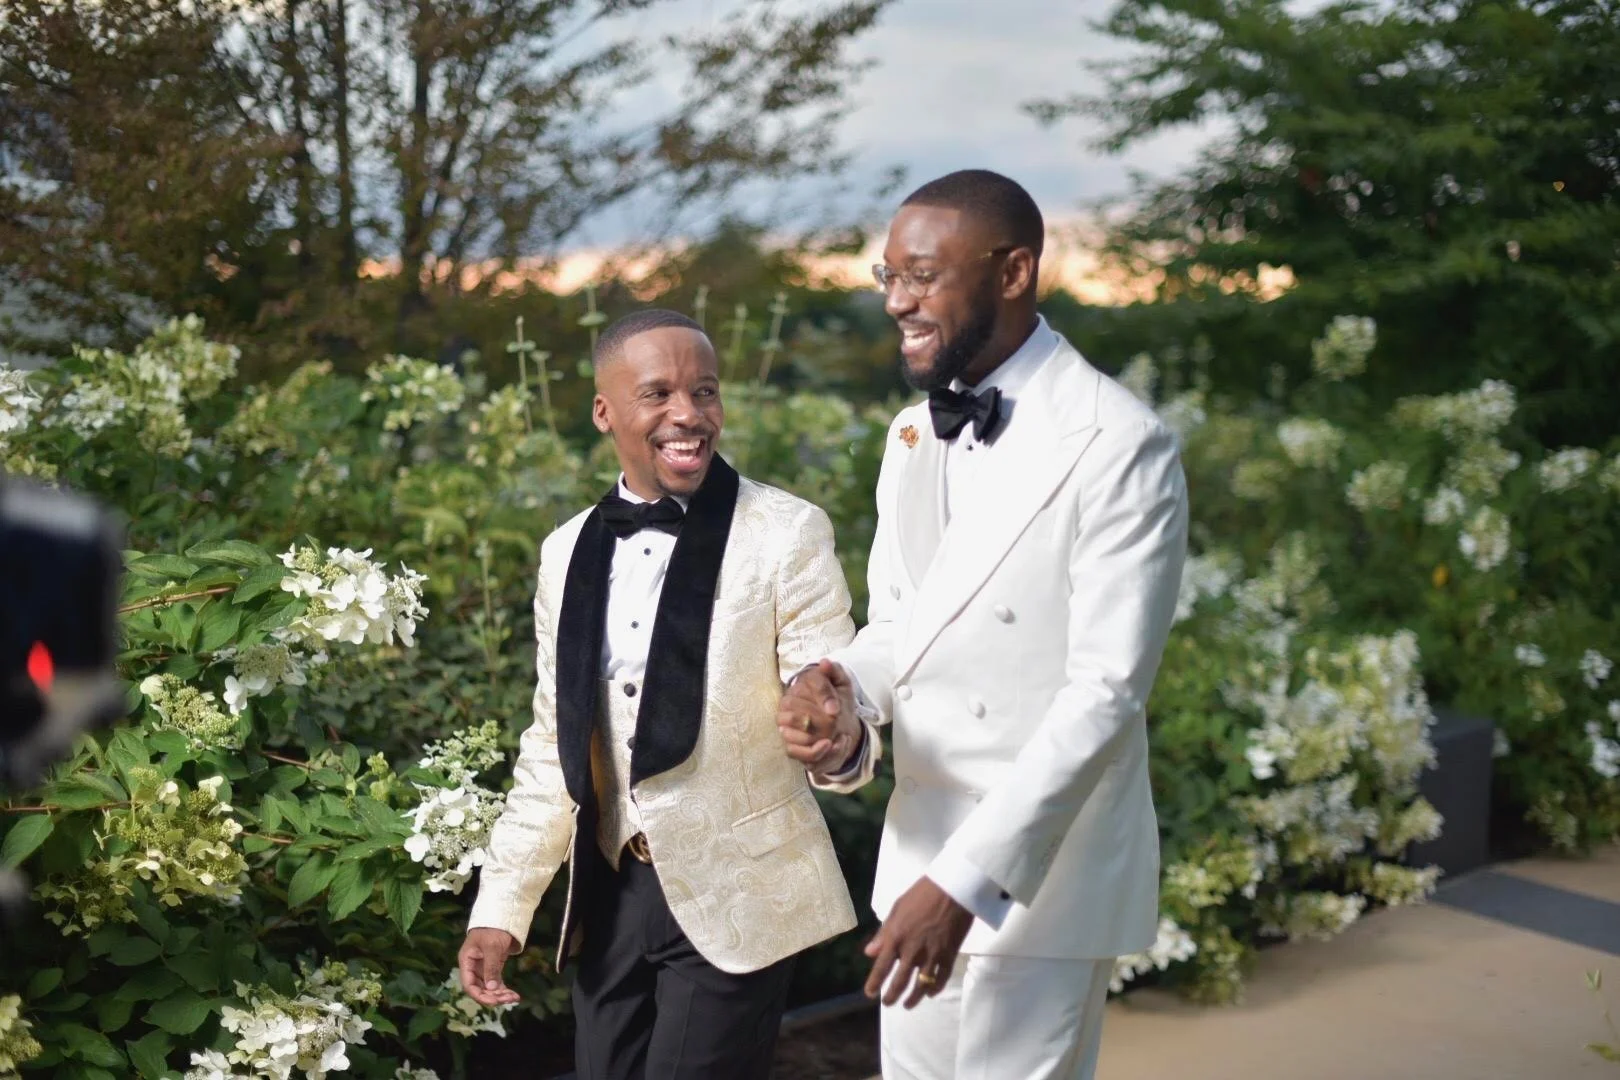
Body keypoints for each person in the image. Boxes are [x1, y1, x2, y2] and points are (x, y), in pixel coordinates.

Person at [778, 170, 1190, 1080]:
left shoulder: (1120, 442)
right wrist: (844, 700)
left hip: (1038, 878)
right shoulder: (912, 434)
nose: (897, 302)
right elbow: (902, 625)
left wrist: (967, 881)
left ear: (1012, 273)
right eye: (887, 277)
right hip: (919, 852)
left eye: (922, 276)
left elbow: (1106, 694)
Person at [460, 309, 861, 1080]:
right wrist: (500, 911)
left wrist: (832, 727)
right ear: (605, 411)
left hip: (740, 887)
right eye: (659, 393)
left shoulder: (786, 532)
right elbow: (553, 742)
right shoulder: (564, 550)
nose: (689, 414)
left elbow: (836, 686)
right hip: (611, 895)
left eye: (705, 392)